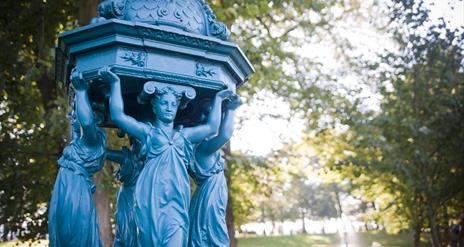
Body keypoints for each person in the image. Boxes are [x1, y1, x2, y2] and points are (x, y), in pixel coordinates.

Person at [100, 67, 233, 247]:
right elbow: (119, 116)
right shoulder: (149, 134)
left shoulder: (183, 136)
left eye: (173, 104)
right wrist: (115, 84)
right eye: (164, 103)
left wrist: (218, 100)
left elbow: (212, 127)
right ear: (154, 106)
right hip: (150, 198)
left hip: (176, 201)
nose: (169, 108)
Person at [48, 69, 106, 247]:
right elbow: (78, 125)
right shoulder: (79, 142)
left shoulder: (92, 139)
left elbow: (86, 123)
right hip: (66, 186)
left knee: (72, 233)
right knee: (61, 231)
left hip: (74, 189)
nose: (73, 115)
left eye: (77, 113)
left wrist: (81, 91)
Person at [188, 94, 241, 247]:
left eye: (214, 112)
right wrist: (231, 110)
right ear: (196, 119)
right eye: (206, 112)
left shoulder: (198, 146)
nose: (211, 117)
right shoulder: (203, 149)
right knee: (212, 235)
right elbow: (225, 134)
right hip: (210, 197)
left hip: (209, 195)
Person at [106, 136, 144, 247]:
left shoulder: (133, 158)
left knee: (127, 233)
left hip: (132, 201)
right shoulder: (133, 158)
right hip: (130, 200)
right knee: (126, 232)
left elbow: (106, 153)